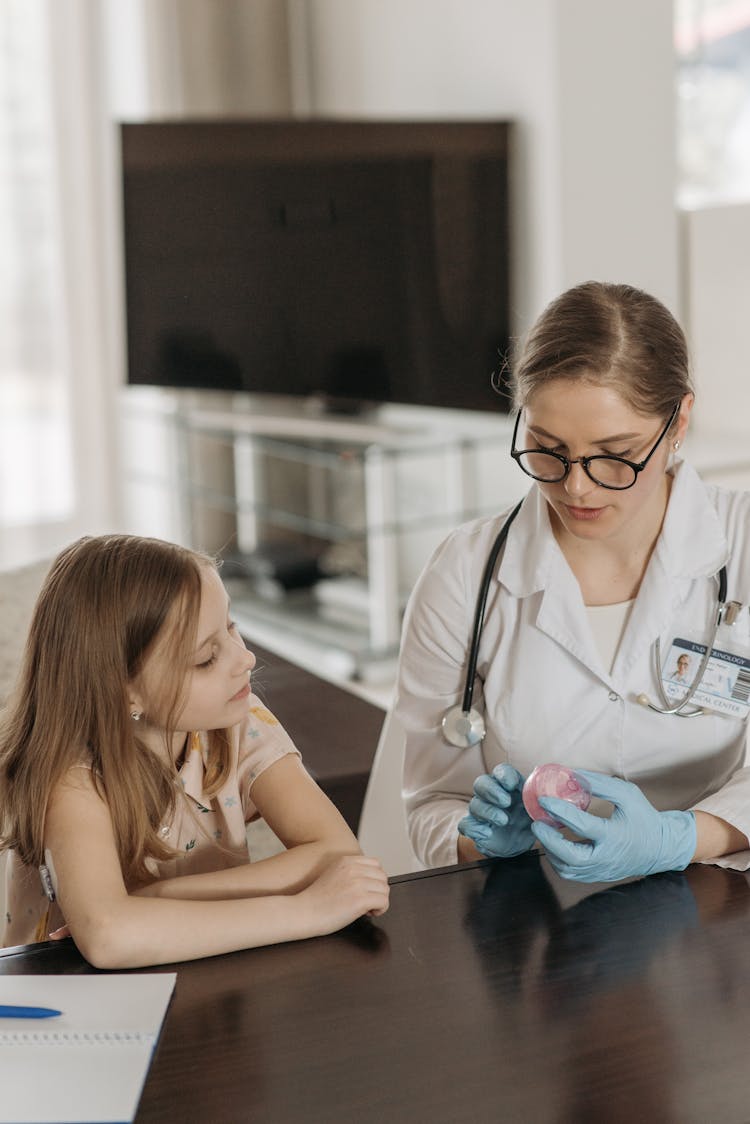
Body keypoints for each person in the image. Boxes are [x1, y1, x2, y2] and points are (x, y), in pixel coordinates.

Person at [396, 280, 750, 881]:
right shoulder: (464, 573)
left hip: (718, 900)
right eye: (547, 448)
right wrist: (482, 841)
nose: (577, 487)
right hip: (540, 913)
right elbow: (432, 800)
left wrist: (680, 837)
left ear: (680, 419)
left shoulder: (742, 545)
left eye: (616, 452)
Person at [0, 535, 389, 967]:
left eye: (232, 626)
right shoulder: (73, 776)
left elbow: (336, 854)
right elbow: (110, 937)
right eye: (206, 658)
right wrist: (305, 910)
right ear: (124, 693)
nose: (246, 658)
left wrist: (154, 898)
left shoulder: (239, 723)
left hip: (199, 969)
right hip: (69, 1005)